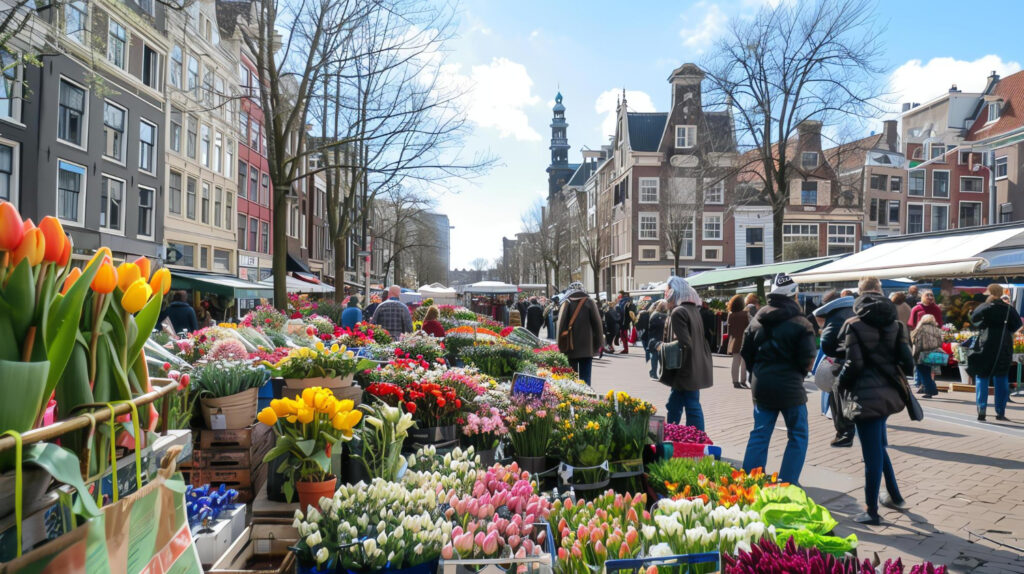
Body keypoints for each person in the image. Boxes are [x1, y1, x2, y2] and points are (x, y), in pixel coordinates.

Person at [835, 276, 913, 525]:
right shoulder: (896, 325)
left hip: (864, 394)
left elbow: (854, 364)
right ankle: (895, 495)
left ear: (859, 294)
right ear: (880, 292)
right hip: (889, 394)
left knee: (871, 455)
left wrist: (839, 383)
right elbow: (909, 364)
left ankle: (871, 511)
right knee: (878, 445)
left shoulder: (853, 324)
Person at [740, 273, 816, 485]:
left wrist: (757, 371)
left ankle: (749, 482)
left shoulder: (757, 319)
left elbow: (745, 352)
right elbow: (808, 359)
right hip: (790, 385)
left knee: (760, 433)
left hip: (762, 384)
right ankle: (788, 483)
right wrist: (799, 374)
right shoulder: (802, 323)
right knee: (798, 434)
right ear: (793, 296)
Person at [661, 276, 713, 430]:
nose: (666, 294)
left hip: (684, 369)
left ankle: (694, 438)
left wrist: (661, 347)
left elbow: (685, 344)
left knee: (690, 405)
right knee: (677, 404)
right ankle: (674, 432)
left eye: (668, 291)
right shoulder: (693, 310)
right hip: (694, 365)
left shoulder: (678, 312)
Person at [968, 284, 1023, 421]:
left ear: (990, 292)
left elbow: (974, 321)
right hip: (1003, 345)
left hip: (985, 344)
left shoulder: (984, 307)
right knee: (1001, 377)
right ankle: (1000, 412)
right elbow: (1016, 325)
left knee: (982, 376)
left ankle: (982, 409)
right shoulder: (1009, 309)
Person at [814, 290, 857, 447]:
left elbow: (827, 344)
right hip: (864, 365)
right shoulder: (856, 310)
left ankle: (846, 433)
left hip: (842, 363)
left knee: (839, 398)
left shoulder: (835, 316)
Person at [556, 282, 604, 385]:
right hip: (587, 348)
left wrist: (559, 345)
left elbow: (560, 326)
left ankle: (574, 398)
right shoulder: (589, 302)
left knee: (572, 378)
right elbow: (598, 325)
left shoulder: (566, 303)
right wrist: (599, 344)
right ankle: (586, 398)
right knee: (585, 379)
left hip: (570, 347)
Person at [910, 314, 943, 399]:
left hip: (922, 354)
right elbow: (940, 343)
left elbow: (914, 341)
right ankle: (932, 388)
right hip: (934, 354)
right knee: (929, 373)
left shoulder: (919, 330)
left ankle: (930, 391)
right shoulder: (937, 330)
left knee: (924, 374)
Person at [725, 294, 750, 389]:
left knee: (735, 361)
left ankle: (735, 381)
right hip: (744, 340)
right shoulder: (745, 314)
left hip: (734, 340)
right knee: (744, 362)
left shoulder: (730, 315)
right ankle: (743, 380)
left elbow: (729, 329)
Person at [646, 301, 669, 379]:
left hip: (654, 339)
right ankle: (655, 372)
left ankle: (654, 372)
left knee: (656, 357)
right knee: (658, 357)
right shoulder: (663, 316)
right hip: (658, 339)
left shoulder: (654, 315)